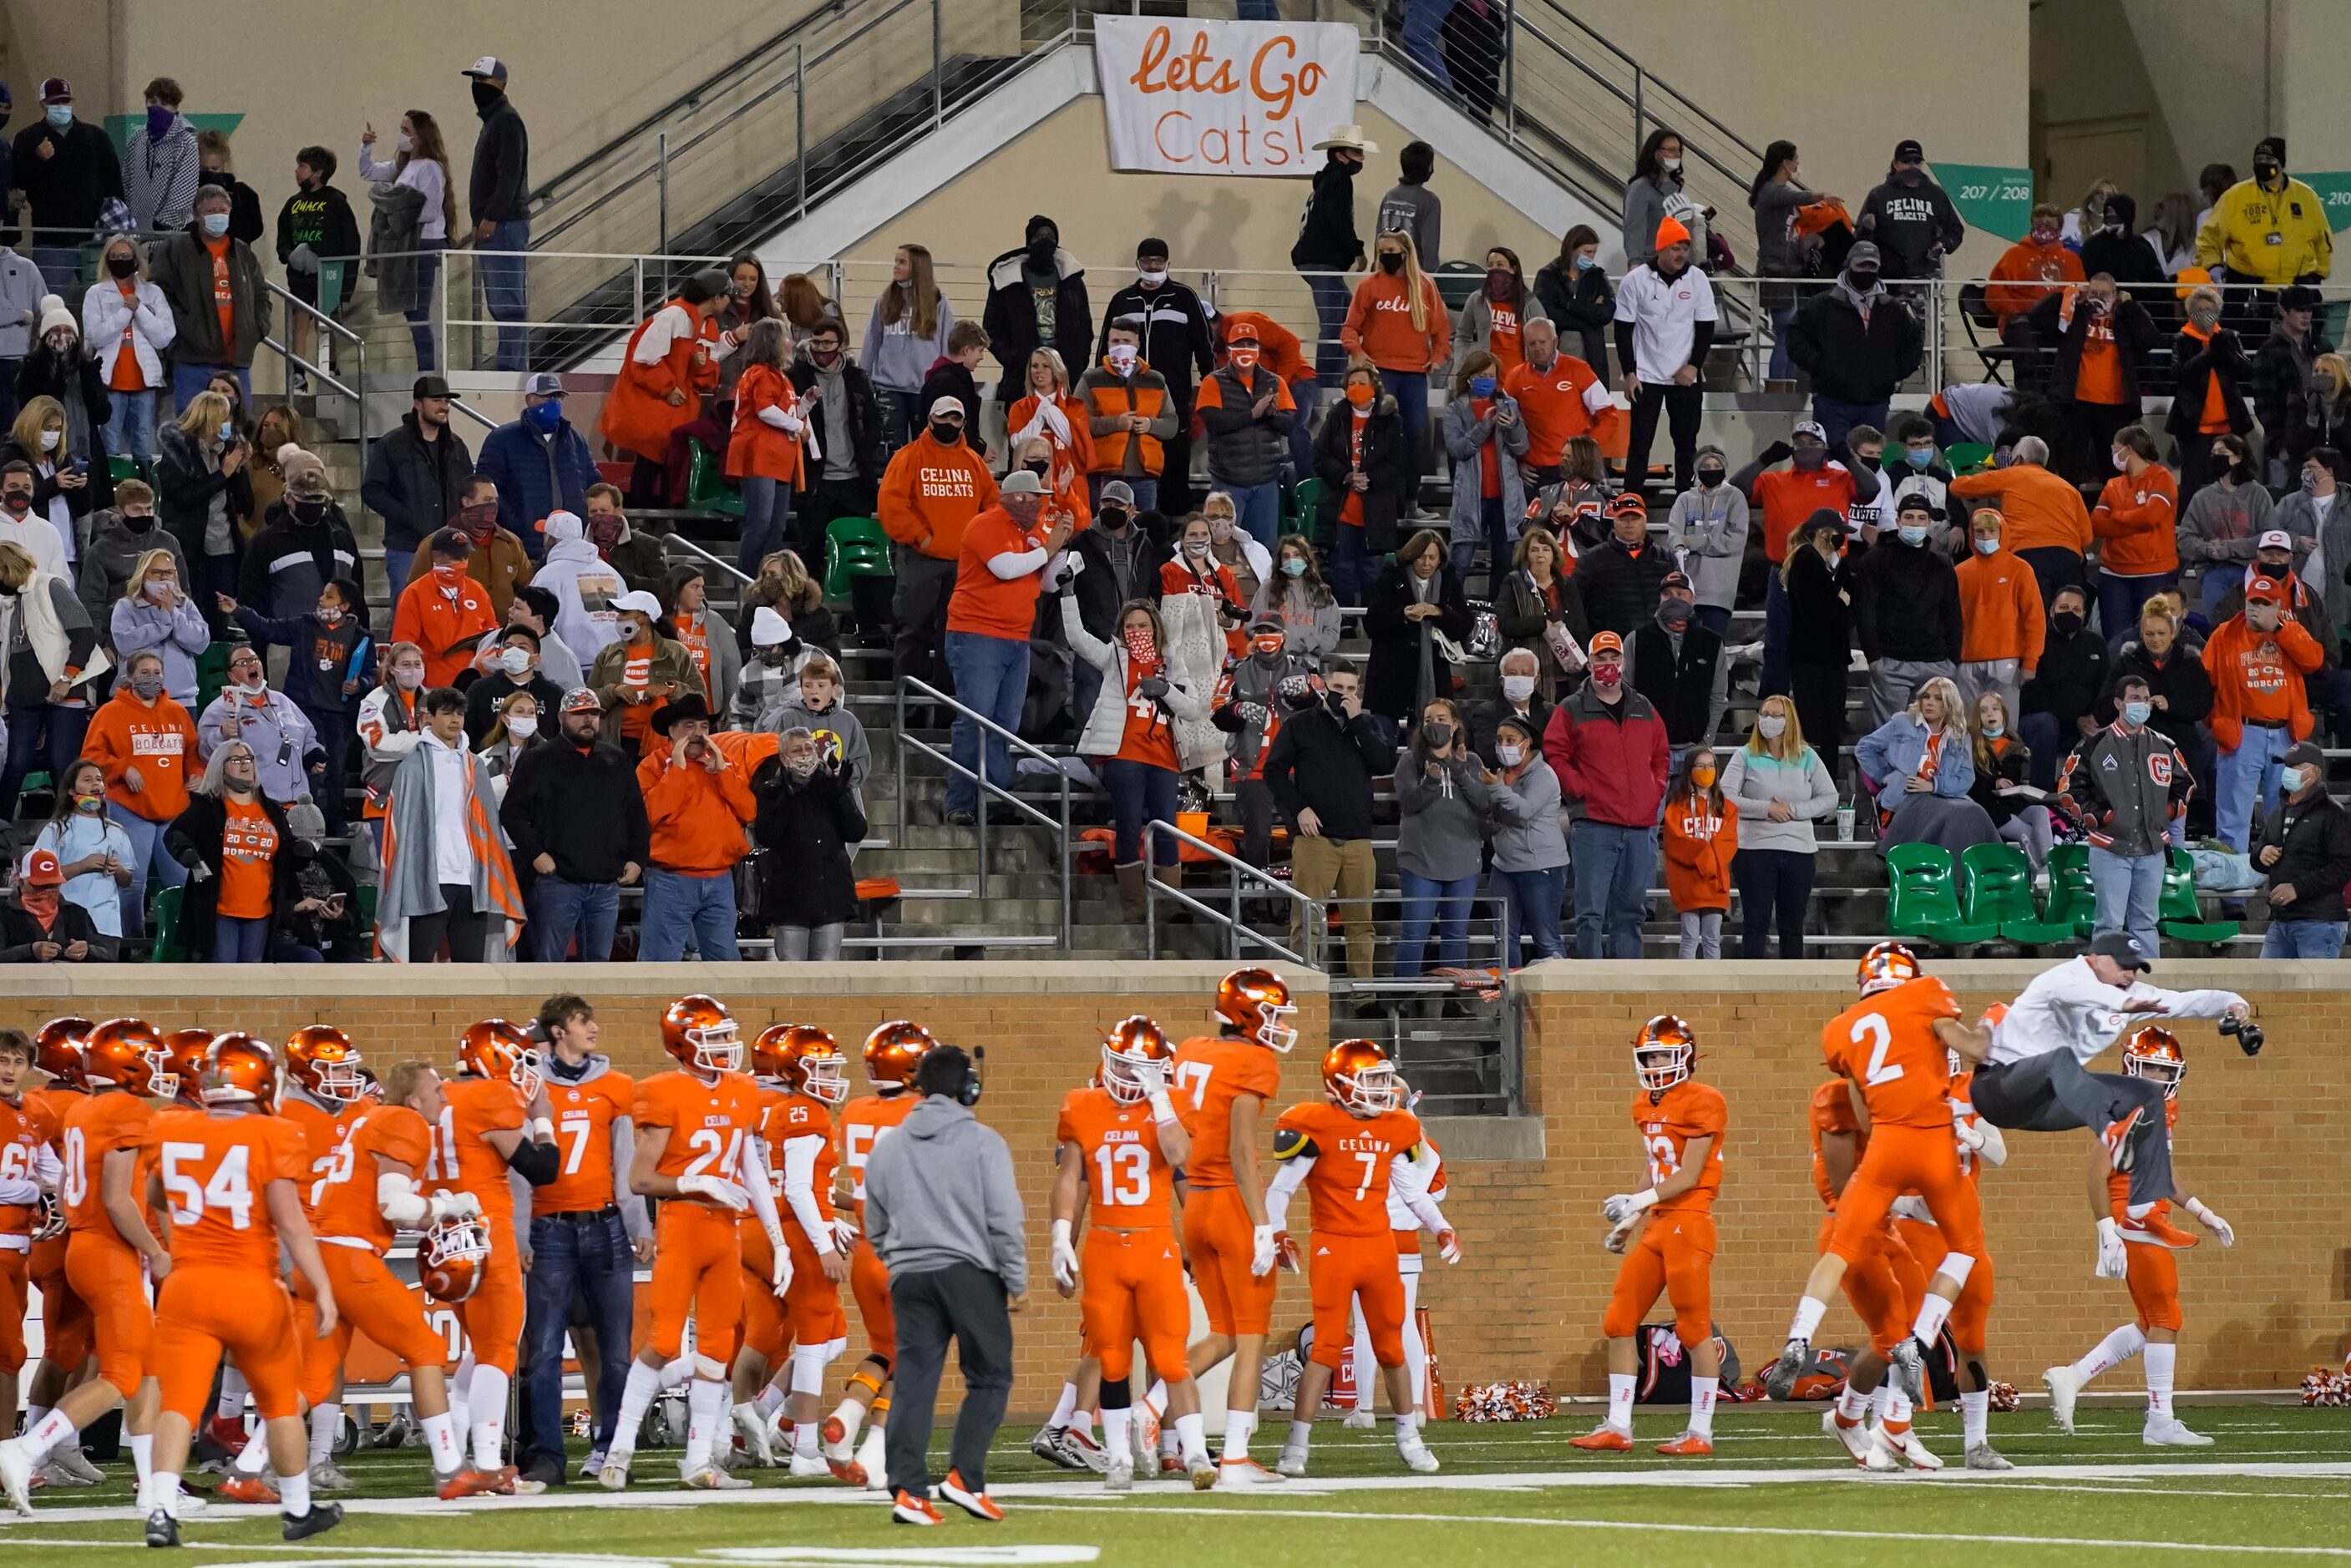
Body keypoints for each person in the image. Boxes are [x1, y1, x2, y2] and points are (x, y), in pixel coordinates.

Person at [1774, 947, 1994, 1474]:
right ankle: (1868, 1421)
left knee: (1902, 1327)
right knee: (1898, 1333)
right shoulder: (1837, 1098)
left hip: (1885, 1213)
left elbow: (1875, 1117)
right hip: (1863, 1218)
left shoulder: (1848, 1041)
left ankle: (1876, 1422)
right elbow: (1843, 1181)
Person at [1972, 936, 2251, 1253]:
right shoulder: (2063, 978)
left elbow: (2189, 1001)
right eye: (2122, 966)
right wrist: (2127, 1005)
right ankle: (2110, 1132)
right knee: (2060, 1059)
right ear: (2093, 959)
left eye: (2135, 968)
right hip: (1997, 1089)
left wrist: (2234, 1004)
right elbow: (2085, 994)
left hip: (2044, 1104)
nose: (2129, 976)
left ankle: (2140, 1213)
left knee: (2148, 1095)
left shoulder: (2131, 993)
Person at [2041, 1026, 2239, 1449]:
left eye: (2164, 1070)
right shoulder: (2126, 1107)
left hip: (2152, 1214)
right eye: (2150, 1067)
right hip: (2132, 1218)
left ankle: (2073, 1376)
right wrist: (2106, 1232)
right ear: (2131, 1067)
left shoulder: (2164, 1108)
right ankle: (2159, 1420)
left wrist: (2202, 1211)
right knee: (2166, 1318)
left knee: (2153, 1320)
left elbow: (2163, 1172)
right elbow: (2095, 1175)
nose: (2157, 1077)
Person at [1265, 1039, 1454, 1479]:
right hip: (1334, 1246)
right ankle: (1296, 1445)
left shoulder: (1394, 1127)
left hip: (1379, 1248)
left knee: (1391, 1347)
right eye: (1372, 1079)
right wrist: (1277, 1232)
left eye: (1384, 1079)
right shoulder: (1317, 1124)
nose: (1383, 1088)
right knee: (1327, 1348)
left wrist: (1441, 1226)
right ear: (1340, 1084)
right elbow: (1279, 1190)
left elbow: (1412, 1191)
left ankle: (1409, 1437)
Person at [858, 1041, 1026, 1525]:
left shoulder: (887, 1145)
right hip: (968, 1274)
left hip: (909, 1277)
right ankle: (964, 1479)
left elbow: (875, 1220)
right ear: (966, 1088)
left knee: (913, 1382)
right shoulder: (983, 1142)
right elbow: (1005, 1218)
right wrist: (1016, 1279)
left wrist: (900, 1259)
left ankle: (908, 1492)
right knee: (990, 1376)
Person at [1568, 1016, 1725, 1457]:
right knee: (1619, 1320)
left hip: (1689, 1221)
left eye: (1662, 1054)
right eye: (1649, 1056)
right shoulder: (1645, 1103)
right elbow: (1654, 1170)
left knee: (1693, 1328)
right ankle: (1619, 1425)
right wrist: (1629, 1221)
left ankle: (1701, 1431)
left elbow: (1690, 1175)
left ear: (1685, 1056)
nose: (1655, 1062)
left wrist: (1636, 1204)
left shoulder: (1704, 1100)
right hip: (1659, 1222)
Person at [937, 468, 1066, 825]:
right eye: (1036, 497)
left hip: (1017, 639)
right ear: (1019, 497)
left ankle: (992, 799)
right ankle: (960, 802)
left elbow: (1050, 584)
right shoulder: (986, 524)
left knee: (1004, 724)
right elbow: (1005, 568)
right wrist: (1050, 547)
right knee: (975, 719)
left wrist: (1060, 551)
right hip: (977, 634)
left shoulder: (1034, 534)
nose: (1040, 504)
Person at [1060, 590, 1203, 913]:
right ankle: (1134, 904)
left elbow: (1194, 709)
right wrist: (1069, 595)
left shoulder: (1171, 662)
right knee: (1127, 825)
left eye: (1142, 624)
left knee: (1166, 826)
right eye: (1129, 626)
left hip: (1165, 757)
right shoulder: (1113, 656)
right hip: (1123, 755)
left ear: (1156, 627)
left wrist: (1165, 689)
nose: (1136, 631)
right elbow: (1077, 639)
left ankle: (1170, 905)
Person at [495, 689, 646, 962]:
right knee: (549, 963)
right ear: (562, 716)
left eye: (594, 714)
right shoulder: (538, 759)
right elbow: (512, 813)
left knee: (598, 965)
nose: (588, 720)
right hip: (557, 882)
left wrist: (638, 859)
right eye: (579, 714)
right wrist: (537, 855)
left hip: (605, 883)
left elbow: (635, 814)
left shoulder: (617, 759)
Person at [376, 685, 524, 959]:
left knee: (470, 972)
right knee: (419, 966)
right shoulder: (412, 767)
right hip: (428, 880)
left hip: (473, 881)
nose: (455, 720)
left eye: (460, 714)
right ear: (429, 717)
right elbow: (402, 830)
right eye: (447, 714)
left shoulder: (475, 766)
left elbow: (490, 828)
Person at [1543, 631, 1668, 959]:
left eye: (1614, 658)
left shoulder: (1644, 706)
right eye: (1601, 658)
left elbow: (1661, 756)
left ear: (1624, 663)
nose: (1608, 664)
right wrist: (1579, 790)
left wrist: (1653, 791)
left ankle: (1628, 990)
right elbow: (1555, 753)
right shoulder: (1571, 708)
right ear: (1589, 662)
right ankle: (1590, 989)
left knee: (1631, 915)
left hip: (1639, 827)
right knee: (1590, 914)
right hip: (1594, 825)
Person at [1264, 665, 1392, 979]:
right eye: (1338, 688)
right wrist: (1299, 810)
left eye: (1351, 690)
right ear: (1323, 686)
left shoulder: (1367, 725)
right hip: (1315, 838)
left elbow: (1385, 763)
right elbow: (1274, 771)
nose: (1344, 696)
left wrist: (1359, 723)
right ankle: (1304, 992)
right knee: (1306, 922)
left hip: (1359, 839)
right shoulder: (1300, 724)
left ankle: (1364, 995)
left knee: (1361, 925)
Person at [2055, 671, 2191, 957]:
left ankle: (2152, 990)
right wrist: (2103, 818)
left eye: (2145, 699)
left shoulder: (2164, 745)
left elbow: (2186, 785)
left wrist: (2164, 813)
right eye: (2134, 699)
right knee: (2109, 924)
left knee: (2146, 924)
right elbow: (2068, 791)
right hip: (2110, 848)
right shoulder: (2092, 745)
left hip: (2152, 849)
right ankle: (2108, 991)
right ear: (2119, 703)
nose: (2141, 704)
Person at [879, 398, 998, 689]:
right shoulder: (908, 457)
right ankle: (906, 706)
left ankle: (946, 711)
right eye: (944, 418)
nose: (949, 424)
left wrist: (978, 542)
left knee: (954, 637)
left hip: (963, 564)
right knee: (913, 630)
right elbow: (891, 505)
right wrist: (922, 536)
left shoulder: (973, 461)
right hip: (920, 559)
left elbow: (993, 505)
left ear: (964, 424)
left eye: (956, 419)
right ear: (930, 420)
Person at [2202, 573, 2323, 851]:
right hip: (2242, 733)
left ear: (2278, 607)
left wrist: (2280, 630)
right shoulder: (2225, 634)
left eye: (2265, 603)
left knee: (2283, 816)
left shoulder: (2292, 632)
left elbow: (2314, 661)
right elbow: (2202, 682)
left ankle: (2278, 885)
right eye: (2252, 601)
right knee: (2232, 820)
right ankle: (2234, 894)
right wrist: (2216, 721)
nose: (2256, 608)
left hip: (2285, 735)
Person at [81, 647, 195, 937]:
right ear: (130, 677)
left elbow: (192, 754)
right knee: (132, 882)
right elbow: (90, 757)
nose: (152, 679)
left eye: (157, 673)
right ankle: (132, 944)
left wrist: (197, 774)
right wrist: (122, 768)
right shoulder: (109, 714)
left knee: (181, 882)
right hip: (130, 809)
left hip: (173, 811)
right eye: (144, 673)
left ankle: (180, 944)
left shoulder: (178, 713)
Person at [1096, 240, 1215, 513]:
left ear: (1168, 264)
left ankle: (1174, 520)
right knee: (1131, 457)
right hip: (1126, 395)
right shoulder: (1122, 300)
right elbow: (1104, 345)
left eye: (1158, 261)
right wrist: (1101, 383)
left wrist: (1211, 384)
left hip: (1173, 394)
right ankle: (1125, 514)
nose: (1153, 266)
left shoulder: (1185, 298)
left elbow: (1203, 345)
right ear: (1138, 263)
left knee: (1175, 459)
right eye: (1148, 261)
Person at [632, 694, 754, 959]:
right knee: (659, 960)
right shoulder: (651, 766)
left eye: (704, 726)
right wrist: (677, 770)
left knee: (725, 960)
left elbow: (749, 811)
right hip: (670, 880)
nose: (699, 734)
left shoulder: (723, 764)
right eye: (690, 726)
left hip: (720, 879)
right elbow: (647, 816)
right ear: (672, 731)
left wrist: (723, 773)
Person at [1720, 695, 1836, 959]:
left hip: (1798, 850)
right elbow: (1725, 797)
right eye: (1764, 714)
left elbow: (1830, 799)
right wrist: (1766, 808)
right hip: (1755, 850)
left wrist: (1793, 810)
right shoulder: (1745, 755)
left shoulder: (1807, 757)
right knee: (1756, 922)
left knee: (1793, 925)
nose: (1767, 721)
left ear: (1789, 721)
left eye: (1775, 716)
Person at [165, 738, 301, 962]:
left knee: (251, 982)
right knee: (224, 979)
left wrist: (302, 850)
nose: (245, 764)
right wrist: (189, 854)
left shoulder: (272, 809)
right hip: (220, 911)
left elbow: (286, 853)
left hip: (261, 911)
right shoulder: (207, 807)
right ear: (221, 766)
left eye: (248, 759)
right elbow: (174, 834)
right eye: (236, 760)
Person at [1612, 216, 1715, 501]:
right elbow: (1623, 328)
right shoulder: (1636, 280)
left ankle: (1686, 500)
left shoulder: (1698, 280)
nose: (1681, 253)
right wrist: (1629, 373)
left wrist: (1693, 366)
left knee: (1685, 442)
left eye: (1684, 247)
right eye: (1674, 247)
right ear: (1660, 249)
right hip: (1646, 375)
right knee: (1640, 443)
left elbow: (1706, 327)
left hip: (1685, 374)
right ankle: (1630, 500)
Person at [602, 272, 727, 500]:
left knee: (670, 469)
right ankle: (645, 523)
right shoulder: (673, 316)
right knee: (650, 465)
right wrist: (667, 388)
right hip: (659, 410)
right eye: (728, 296)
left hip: (679, 413)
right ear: (716, 298)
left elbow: (707, 379)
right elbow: (643, 360)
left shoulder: (707, 326)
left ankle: (663, 523)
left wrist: (699, 364)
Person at [1344, 230, 1447, 505]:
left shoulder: (1425, 286)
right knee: (1380, 437)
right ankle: (1379, 500)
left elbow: (1442, 329)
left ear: (1405, 251)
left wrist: (1438, 356)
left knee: (1416, 436)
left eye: (1391, 250)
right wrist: (1358, 353)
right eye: (1382, 252)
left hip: (1414, 374)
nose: (1386, 256)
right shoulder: (1370, 286)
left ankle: (1411, 501)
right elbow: (1350, 328)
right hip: (1381, 373)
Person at [2024, 276, 2160, 483]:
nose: (2099, 299)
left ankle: (2113, 510)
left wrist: (2130, 306)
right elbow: (2036, 317)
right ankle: (2070, 510)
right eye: (2094, 293)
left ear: (2115, 294)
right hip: (2076, 402)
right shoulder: (2075, 312)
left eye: (2104, 294)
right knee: (2071, 463)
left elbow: (2150, 339)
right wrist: (2066, 296)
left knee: (2113, 467)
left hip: (2115, 404)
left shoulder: (2125, 316)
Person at [145, 184, 268, 409]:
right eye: (210, 212)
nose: (217, 216)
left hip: (237, 360)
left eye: (222, 211)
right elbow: (156, 292)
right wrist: (183, 328)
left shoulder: (242, 252)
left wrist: (257, 328)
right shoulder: (175, 248)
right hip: (192, 361)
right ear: (196, 215)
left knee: (238, 432)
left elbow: (261, 294)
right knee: (192, 430)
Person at [750, 725, 868, 960]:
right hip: (789, 898)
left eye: (809, 748)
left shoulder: (832, 787)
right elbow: (767, 836)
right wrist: (789, 796)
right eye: (797, 751)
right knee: (793, 975)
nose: (805, 754)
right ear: (784, 758)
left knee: (825, 974)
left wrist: (841, 795)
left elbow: (856, 832)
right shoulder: (771, 791)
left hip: (830, 896)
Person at [1391, 697, 1490, 979]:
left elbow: (1484, 803)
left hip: (1463, 864)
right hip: (1420, 862)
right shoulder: (1410, 762)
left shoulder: (1471, 762)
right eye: (1428, 720)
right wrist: (1431, 782)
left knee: (1456, 935)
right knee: (1414, 933)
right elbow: (1409, 803)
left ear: (1455, 724)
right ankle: (1402, 999)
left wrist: (1459, 773)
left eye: (1441, 719)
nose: (1434, 725)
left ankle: (1454, 1002)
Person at [0, 538, 98, 819]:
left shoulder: (50, 585)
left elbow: (84, 634)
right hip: (23, 695)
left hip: (65, 690)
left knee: (63, 764)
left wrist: (67, 677)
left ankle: (74, 827)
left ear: (9, 567)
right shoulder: (8, 603)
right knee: (15, 763)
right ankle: (4, 830)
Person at [1786, 242, 1921, 447]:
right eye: (1861, 265)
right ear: (1848, 265)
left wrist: (1892, 373)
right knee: (1832, 463)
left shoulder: (1894, 309)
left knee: (1869, 464)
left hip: (1876, 401)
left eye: (1872, 266)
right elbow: (1796, 339)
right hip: (1831, 400)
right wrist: (1822, 366)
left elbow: (1913, 344)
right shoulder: (1821, 305)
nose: (1866, 271)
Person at [1852, 493, 1963, 729]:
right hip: (1891, 663)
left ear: (1929, 523)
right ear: (1899, 521)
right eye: (1909, 517)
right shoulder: (1874, 560)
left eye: (1921, 518)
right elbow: (1865, 610)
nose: (1915, 523)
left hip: (1936, 663)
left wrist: (1953, 660)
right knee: (1889, 739)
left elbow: (1952, 613)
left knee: (1934, 740)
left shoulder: (1942, 564)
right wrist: (1874, 658)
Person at [358, 109, 455, 372]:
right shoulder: (404, 166)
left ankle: (428, 371)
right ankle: (425, 369)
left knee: (419, 313)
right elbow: (368, 172)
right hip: (409, 245)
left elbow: (430, 210)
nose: (401, 136)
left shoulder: (431, 168)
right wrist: (366, 146)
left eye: (406, 131)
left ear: (420, 135)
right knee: (412, 312)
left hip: (426, 245)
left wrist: (395, 210)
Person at [1950, 435, 2094, 612]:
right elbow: (2087, 538)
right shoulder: (2068, 488)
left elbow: (1958, 487)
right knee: (2065, 620)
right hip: (2068, 560)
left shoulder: (2010, 475)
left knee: (2033, 617)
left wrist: (1987, 475)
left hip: (2028, 557)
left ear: (2018, 459)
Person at [13, 308, 115, 550]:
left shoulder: (87, 368)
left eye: (68, 330)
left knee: (88, 524)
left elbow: (103, 414)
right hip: (45, 454)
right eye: (56, 331)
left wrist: (91, 382)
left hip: (86, 450)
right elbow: (31, 409)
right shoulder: (31, 368)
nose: (62, 336)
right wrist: (56, 377)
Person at [362, 377, 474, 598]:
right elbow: (372, 490)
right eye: (436, 400)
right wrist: (408, 517)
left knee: (450, 613)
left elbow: (468, 490)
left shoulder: (456, 446)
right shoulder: (392, 444)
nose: (444, 406)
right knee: (407, 611)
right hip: (407, 548)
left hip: (451, 549)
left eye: (447, 401)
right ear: (418, 403)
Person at [1857, 675, 1994, 853]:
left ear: (1949, 704)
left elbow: (1966, 778)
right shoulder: (1903, 723)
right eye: (1926, 697)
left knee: (1976, 811)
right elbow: (1864, 747)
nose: (1929, 702)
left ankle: (1987, 864)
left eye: (1938, 699)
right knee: (1954, 816)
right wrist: (1884, 775)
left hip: (1944, 798)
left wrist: (1933, 785)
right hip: (1907, 798)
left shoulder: (1959, 737)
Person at [789, 315, 889, 551]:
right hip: (816, 481)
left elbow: (874, 421)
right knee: (811, 549)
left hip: (854, 480)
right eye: (816, 343)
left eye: (827, 343)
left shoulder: (857, 378)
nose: (820, 349)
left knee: (855, 548)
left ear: (841, 345)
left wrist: (866, 450)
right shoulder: (796, 377)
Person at [1313, 365, 1409, 606]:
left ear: (1374, 387)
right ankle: (1345, 622)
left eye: (1362, 383)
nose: (1356, 388)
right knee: (1341, 569)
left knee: (1372, 571)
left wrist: (1371, 478)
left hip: (1376, 509)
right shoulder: (1336, 416)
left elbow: (1397, 462)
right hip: (1340, 507)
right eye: (1351, 383)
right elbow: (1320, 457)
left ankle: (1371, 622)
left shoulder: (1391, 421)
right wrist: (1346, 476)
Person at [10, 80, 123, 284]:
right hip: (51, 239)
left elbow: (114, 183)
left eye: (66, 101)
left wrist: (114, 230)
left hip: (94, 238)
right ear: (43, 104)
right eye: (56, 102)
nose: (62, 107)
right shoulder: (28, 138)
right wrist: (37, 159)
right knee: (51, 303)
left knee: (102, 300)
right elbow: (19, 183)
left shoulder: (95, 137)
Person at [1195, 326, 1295, 549]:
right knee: (1221, 546)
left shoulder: (1275, 382)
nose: (1245, 350)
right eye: (1240, 344)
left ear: (1259, 349)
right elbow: (1214, 423)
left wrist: (1272, 414)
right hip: (1228, 481)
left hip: (1266, 481)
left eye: (1251, 345)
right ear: (1229, 349)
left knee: (1263, 548)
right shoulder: (1213, 381)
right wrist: (1253, 413)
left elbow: (1289, 426)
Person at [2247, 741, 2351, 957]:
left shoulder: (2333, 814)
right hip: (2283, 920)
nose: (2288, 773)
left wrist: (2297, 888)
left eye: (2295, 767)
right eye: (2286, 767)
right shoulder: (2281, 810)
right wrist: (2262, 853)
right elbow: (2258, 854)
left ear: (2314, 772)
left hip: (2320, 921)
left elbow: (2343, 867)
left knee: (2315, 990)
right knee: (2267, 988)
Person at [460, 58, 530, 371]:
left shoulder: (505, 121)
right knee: (502, 300)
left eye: (482, 81)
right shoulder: (495, 121)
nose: (476, 87)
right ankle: (512, 366)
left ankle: (510, 370)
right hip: (497, 223)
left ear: (500, 84)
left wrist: (490, 217)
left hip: (502, 224)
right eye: (474, 80)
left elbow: (509, 175)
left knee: (508, 302)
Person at [476, 374, 597, 555]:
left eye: (558, 397)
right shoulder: (502, 439)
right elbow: (487, 489)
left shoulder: (576, 440)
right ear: (529, 399)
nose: (554, 402)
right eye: (548, 397)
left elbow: (593, 486)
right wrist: (518, 525)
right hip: (523, 547)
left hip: (572, 546)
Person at [2193, 135, 2333, 291]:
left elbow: (2323, 240)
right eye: (2258, 159)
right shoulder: (2235, 197)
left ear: (2281, 163)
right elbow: (2208, 239)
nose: (2262, 164)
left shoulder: (2306, 196)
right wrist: (2212, 266)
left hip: (2298, 287)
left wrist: (2318, 274)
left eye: (2268, 158)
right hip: (2248, 286)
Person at [195, 643, 325, 807]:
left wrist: (313, 755)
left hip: (298, 801)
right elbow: (205, 752)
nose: (251, 664)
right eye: (242, 663)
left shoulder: (282, 701)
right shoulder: (219, 709)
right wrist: (221, 733)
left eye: (254, 659)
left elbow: (308, 733)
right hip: (258, 803)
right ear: (231, 676)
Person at [1293, 127, 1372, 397]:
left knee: (1345, 314)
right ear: (1341, 155)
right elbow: (1338, 219)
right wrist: (1357, 249)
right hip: (1321, 260)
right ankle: (1328, 382)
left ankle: (1335, 376)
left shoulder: (1326, 181)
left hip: (1315, 260)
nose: (1361, 158)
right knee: (1333, 322)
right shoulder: (1339, 180)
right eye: (1356, 152)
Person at [1364, 529, 1470, 728]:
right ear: (1411, 556)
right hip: (1390, 677)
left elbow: (1464, 626)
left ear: (1441, 559)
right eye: (1421, 557)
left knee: (1426, 748)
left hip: (1434, 677)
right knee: (1382, 743)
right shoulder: (1390, 578)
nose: (1427, 563)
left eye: (1432, 557)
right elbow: (1372, 624)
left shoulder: (1449, 582)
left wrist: (1439, 612)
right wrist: (1403, 615)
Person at [1437, 350, 1525, 589]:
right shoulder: (1455, 410)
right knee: (1461, 562)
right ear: (1468, 377)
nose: (1487, 380)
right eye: (1481, 375)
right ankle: (1451, 611)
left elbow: (1521, 447)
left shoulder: (1507, 406)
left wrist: (1514, 424)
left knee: (1504, 563)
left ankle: (1499, 617)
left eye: (1491, 375)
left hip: (1505, 498)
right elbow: (1458, 449)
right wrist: (1484, 427)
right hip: (1470, 498)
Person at [1484, 713, 1568, 965]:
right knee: (1504, 937)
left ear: (1527, 742)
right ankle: (1509, 999)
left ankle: (1559, 996)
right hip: (1504, 865)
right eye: (1500, 740)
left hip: (1539, 866)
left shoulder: (1544, 775)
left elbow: (1524, 811)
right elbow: (1493, 816)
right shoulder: (1501, 775)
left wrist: (1497, 789)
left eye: (1511, 739)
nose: (1504, 745)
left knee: (1545, 937)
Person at [1500, 316, 1617, 492]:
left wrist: (1585, 453)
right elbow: (1504, 427)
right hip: (1535, 474)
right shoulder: (1515, 378)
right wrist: (1517, 462)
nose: (1538, 348)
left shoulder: (1579, 370)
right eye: (1532, 343)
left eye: (1542, 342)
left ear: (1555, 341)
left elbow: (1608, 416)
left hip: (1578, 469)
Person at [275, 147, 362, 381]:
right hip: (300, 274)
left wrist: (347, 282)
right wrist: (289, 255)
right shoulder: (293, 203)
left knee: (327, 322)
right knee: (299, 321)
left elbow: (351, 241)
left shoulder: (335, 201)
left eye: (302, 167)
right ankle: (298, 374)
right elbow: (283, 236)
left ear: (317, 173)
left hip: (328, 273)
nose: (297, 171)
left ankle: (330, 368)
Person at [983, 215, 1091, 406]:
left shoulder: (1071, 280)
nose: (1045, 241)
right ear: (1028, 242)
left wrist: (1077, 361)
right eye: (1039, 236)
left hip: (1065, 376)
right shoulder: (1007, 281)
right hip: (1022, 377)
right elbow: (991, 328)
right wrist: (1013, 359)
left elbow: (1084, 325)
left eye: (1050, 236)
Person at [81, 235, 170, 463]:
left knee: (143, 445)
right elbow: (95, 336)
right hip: (111, 383)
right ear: (107, 260)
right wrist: (124, 313)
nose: (120, 260)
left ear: (136, 259)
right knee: (110, 445)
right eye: (115, 256)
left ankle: (146, 490)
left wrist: (140, 309)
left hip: (144, 382)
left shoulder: (153, 293)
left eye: (125, 256)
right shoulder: (96, 293)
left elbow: (163, 337)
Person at [1954, 507, 2046, 726]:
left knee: (2004, 729)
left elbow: (2034, 618)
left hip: (2006, 662)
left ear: (2002, 533)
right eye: (1980, 532)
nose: (1985, 537)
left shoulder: (2020, 569)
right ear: (1972, 534)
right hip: (1967, 661)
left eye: (1991, 531)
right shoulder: (1960, 572)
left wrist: (2030, 662)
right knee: (1969, 729)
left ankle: (2006, 762)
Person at [1077, 316, 1176, 515]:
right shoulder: (1090, 380)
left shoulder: (1156, 380)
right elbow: (1078, 422)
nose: (1120, 346)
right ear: (1107, 344)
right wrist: (1116, 423)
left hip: (1145, 475)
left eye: (1127, 341)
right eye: (1115, 341)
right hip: (1104, 474)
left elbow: (1172, 423)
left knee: (1144, 532)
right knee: (1104, 529)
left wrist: (1151, 425)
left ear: (1138, 344)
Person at [2016, 584, 2110, 793]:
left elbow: (2105, 686)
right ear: (2051, 611)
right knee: (2047, 724)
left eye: (2077, 610)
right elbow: (2031, 695)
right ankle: (2041, 794)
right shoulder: (2036, 642)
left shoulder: (2096, 643)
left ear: (2085, 614)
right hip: (2039, 724)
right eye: (2064, 607)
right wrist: (2074, 718)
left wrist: (2096, 717)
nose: (2070, 613)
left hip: (2084, 723)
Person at [2089, 426, 2180, 640]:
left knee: (2153, 637)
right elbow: (2097, 524)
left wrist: (2118, 515)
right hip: (2114, 574)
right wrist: (2136, 519)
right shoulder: (2113, 485)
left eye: (2115, 448)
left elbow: (2152, 516)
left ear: (2128, 449)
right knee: (2116, 639)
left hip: (2155, 573)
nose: (2112, 453)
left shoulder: (2161, 477)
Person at [864, 244, 955, 448]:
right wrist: (865, 381)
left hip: (924, 389)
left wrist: (944, 384)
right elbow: (872, 342)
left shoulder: (940, 303)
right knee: (891, 450)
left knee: (926, 448)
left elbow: (947, 348)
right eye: (896, 261)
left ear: (918, 267)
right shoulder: (884, 301)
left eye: (902, 262)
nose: (895, 267)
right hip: (888, 388)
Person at [32, 758, 134, 939]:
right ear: (72, 790)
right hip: (67, 922)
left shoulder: (116, 830)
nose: (95, 783)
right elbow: (40, 878)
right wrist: (83, 865)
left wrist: (117, 869)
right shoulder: (56, 829)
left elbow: (127, 880)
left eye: (98, 779)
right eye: (87, 780)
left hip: (107, 926)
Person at [2176, 432, 2269, 620]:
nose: (2215, 457)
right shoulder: (2202, 497)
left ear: (2237, 458)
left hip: (2250, 570)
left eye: (2222, 452)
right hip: (2213, 570)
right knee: (2218, 626)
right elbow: (2185, 538)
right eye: (2213, 453)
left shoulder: (2258, 494)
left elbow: (2269, 536)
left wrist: (2230, 548)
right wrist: (2206, 548)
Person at [392, 528, 498, 689]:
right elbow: (404, 645)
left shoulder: (477, 590)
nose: (462, 562)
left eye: (465, 556)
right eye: (455, 557)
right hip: (432, 687)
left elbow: (492, 632)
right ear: (436, 556)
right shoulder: (414, 593)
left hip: (474, 684)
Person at [2253, 286, 2336, 484]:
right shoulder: (2268, 352)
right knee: (2284, 502)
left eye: (2309, 309)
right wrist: (2281, 445)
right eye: (2300, 310)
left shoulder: (2323, 347)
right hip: (2286, 445)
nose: (2306, 315)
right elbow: (2264, 402)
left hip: (2322, 441)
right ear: (2284, 311)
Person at [1492, 527, 1586, 701]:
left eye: (1545, 549)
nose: (1540, 555)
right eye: (1534, 550)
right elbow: (1506, 625)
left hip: (1565, 677)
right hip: (1525, 677)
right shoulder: (1512, 583)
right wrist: (1542, 624)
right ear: (1526, 555)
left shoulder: (1567, 585)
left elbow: (1580, 627)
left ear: (1554, 554)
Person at [1969, 690, 2054, 873]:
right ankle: (2041, 877)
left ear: (2004, 714)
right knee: (2027, 833)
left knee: (2041, 811)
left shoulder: (2014, 745)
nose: (1990, 714)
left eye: (1995, 709)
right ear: (1978, 718)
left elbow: (2013, 780)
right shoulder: (1973, 747)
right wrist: (1995, 782)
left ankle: (2048, 864)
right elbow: (1975, 784)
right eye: (1984, 711)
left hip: (2013, 803)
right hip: (1991, 809)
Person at [1856, 139, 1964, 281]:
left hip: (1926, 275)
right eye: (1906, 162)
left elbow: (1955, 229)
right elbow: (1860, 238)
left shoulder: (1935, 194)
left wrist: (1942, 244)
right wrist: (1868, 228)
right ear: (1895, 164)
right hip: (1887, 276)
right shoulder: (1879, 195)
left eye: (1916, 162)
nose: (1912, 166)